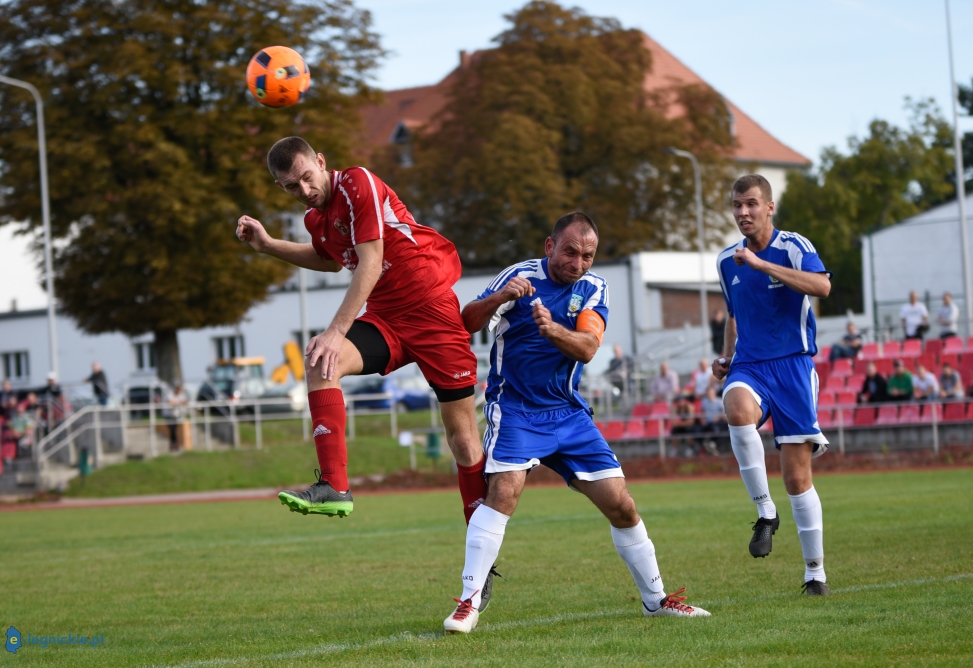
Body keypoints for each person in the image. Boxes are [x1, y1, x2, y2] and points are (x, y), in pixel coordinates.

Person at [442, 212, 710, 634]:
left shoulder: (593, 288)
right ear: (550, 247)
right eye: (570, 252)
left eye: (587, 255)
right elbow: (465, 321)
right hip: (515, 408)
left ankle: (656, 602)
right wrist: (499, 298)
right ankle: (468, 603)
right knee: (504, 492)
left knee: (622, 506)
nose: (578, 263)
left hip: (568, 414)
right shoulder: (518, 275)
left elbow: (587, 347)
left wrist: (552, 332)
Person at [236, 137, 486, 527]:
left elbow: (371, 261)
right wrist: (268, 245)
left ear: (321, 162)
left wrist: (337, 330)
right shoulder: (314, 219)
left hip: (432, 311)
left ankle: (483, 552)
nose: (304, 191)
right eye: (291, 187)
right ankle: (335, 486)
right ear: (279, 187)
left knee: (465, 442)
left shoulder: (358, 183)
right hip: (386, 319)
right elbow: (329, 260)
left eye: (307, 177)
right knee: (321, 362)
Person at [713, 174, 833, 596]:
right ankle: (765, 513)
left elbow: (823, 286)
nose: (742, 212)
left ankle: (814, 572)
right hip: (750, 365)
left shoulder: (794, 247)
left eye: (750, 204)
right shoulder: (727, 261)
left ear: (769, 207)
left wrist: (764, 266)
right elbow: (733, 315)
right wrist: (726, 359)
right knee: (737, 410)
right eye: (736, 205)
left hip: (794, 368)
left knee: (798, 478)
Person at [166, 383, 189, 451]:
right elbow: (171, 402)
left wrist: (177, 402)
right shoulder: (170, 394)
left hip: (175, 415)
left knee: (174, 430)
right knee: (172, 430)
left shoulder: (180, 395)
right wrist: (179, 402)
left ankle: (174, 445)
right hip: (168, 415)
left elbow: (185, 401)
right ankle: (175, 444)